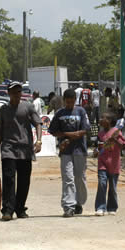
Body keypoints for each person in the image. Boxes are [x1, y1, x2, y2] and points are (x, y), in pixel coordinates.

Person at [0, 82, 43, 221]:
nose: (17, 94)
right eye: (14, 92)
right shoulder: (3, 110)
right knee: (9, 179)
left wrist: (38, 141)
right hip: (8, 149)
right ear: (9, 93)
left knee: (24, 180)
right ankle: (7, 210)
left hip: (25, 149)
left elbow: (38, 123)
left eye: (19, 91)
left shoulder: (27, 107)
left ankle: (20, 208)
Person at [48, 88, 91, 218]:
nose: (70, 104)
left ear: (75, 100)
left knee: (80, 178)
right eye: (67, 102)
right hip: (65, 151)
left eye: (72, 102)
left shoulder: (81, 111)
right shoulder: (60, 113)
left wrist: (76, 134)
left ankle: (79, 202)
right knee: (68, 178)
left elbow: (85, 129)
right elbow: (53, 130)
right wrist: (69, 135)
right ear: (64, 100)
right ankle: (68, 206)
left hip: (79, 150)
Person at [94, 112, 125, 216]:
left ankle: (112, 207)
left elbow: (123, 146)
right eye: (101, 117)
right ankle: (100, 207)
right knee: (102, 183)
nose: (101, 119)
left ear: (110, 121)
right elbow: (98, 147)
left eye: (104, 118)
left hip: (114, 165)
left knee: (112, 187)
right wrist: (96, 151)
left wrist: (115, 140)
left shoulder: (116, 132)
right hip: (102, 164)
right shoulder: (100, 134)